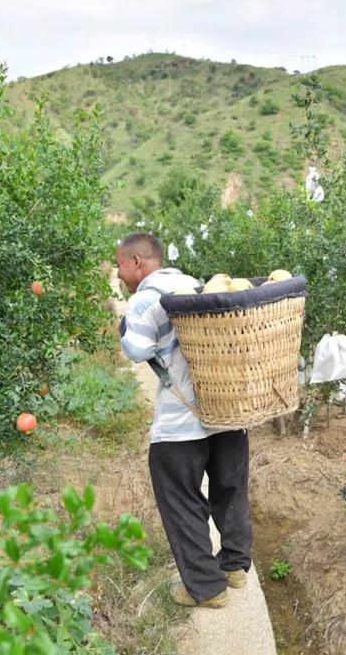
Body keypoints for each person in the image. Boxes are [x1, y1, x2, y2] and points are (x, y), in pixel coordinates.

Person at [116, 232, 252, 609]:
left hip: (180, 424)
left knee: (181, 500)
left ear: (137, 262)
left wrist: (125, 325)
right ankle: (235, 567)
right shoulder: (199, 286)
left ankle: (207, 588)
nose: (119, 274)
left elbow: (136, 349)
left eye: (120, 265)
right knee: (230, 490)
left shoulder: (146, 299)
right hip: (227, 411)